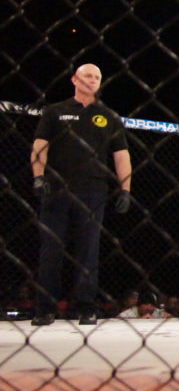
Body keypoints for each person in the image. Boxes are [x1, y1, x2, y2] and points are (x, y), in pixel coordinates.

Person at [30, 64, 132, 326]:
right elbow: (40, 146)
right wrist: (39, 176)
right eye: (88, 75)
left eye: (97, 77)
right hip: (57, 188)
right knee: (51, 249)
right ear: (74, 79)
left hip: (93, 191)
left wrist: (125, 189)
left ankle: (86, 307)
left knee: (89, 250)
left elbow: (121, 155)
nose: (93, 80)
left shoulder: (109, 116)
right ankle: (45, 308)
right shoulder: (55, 111)